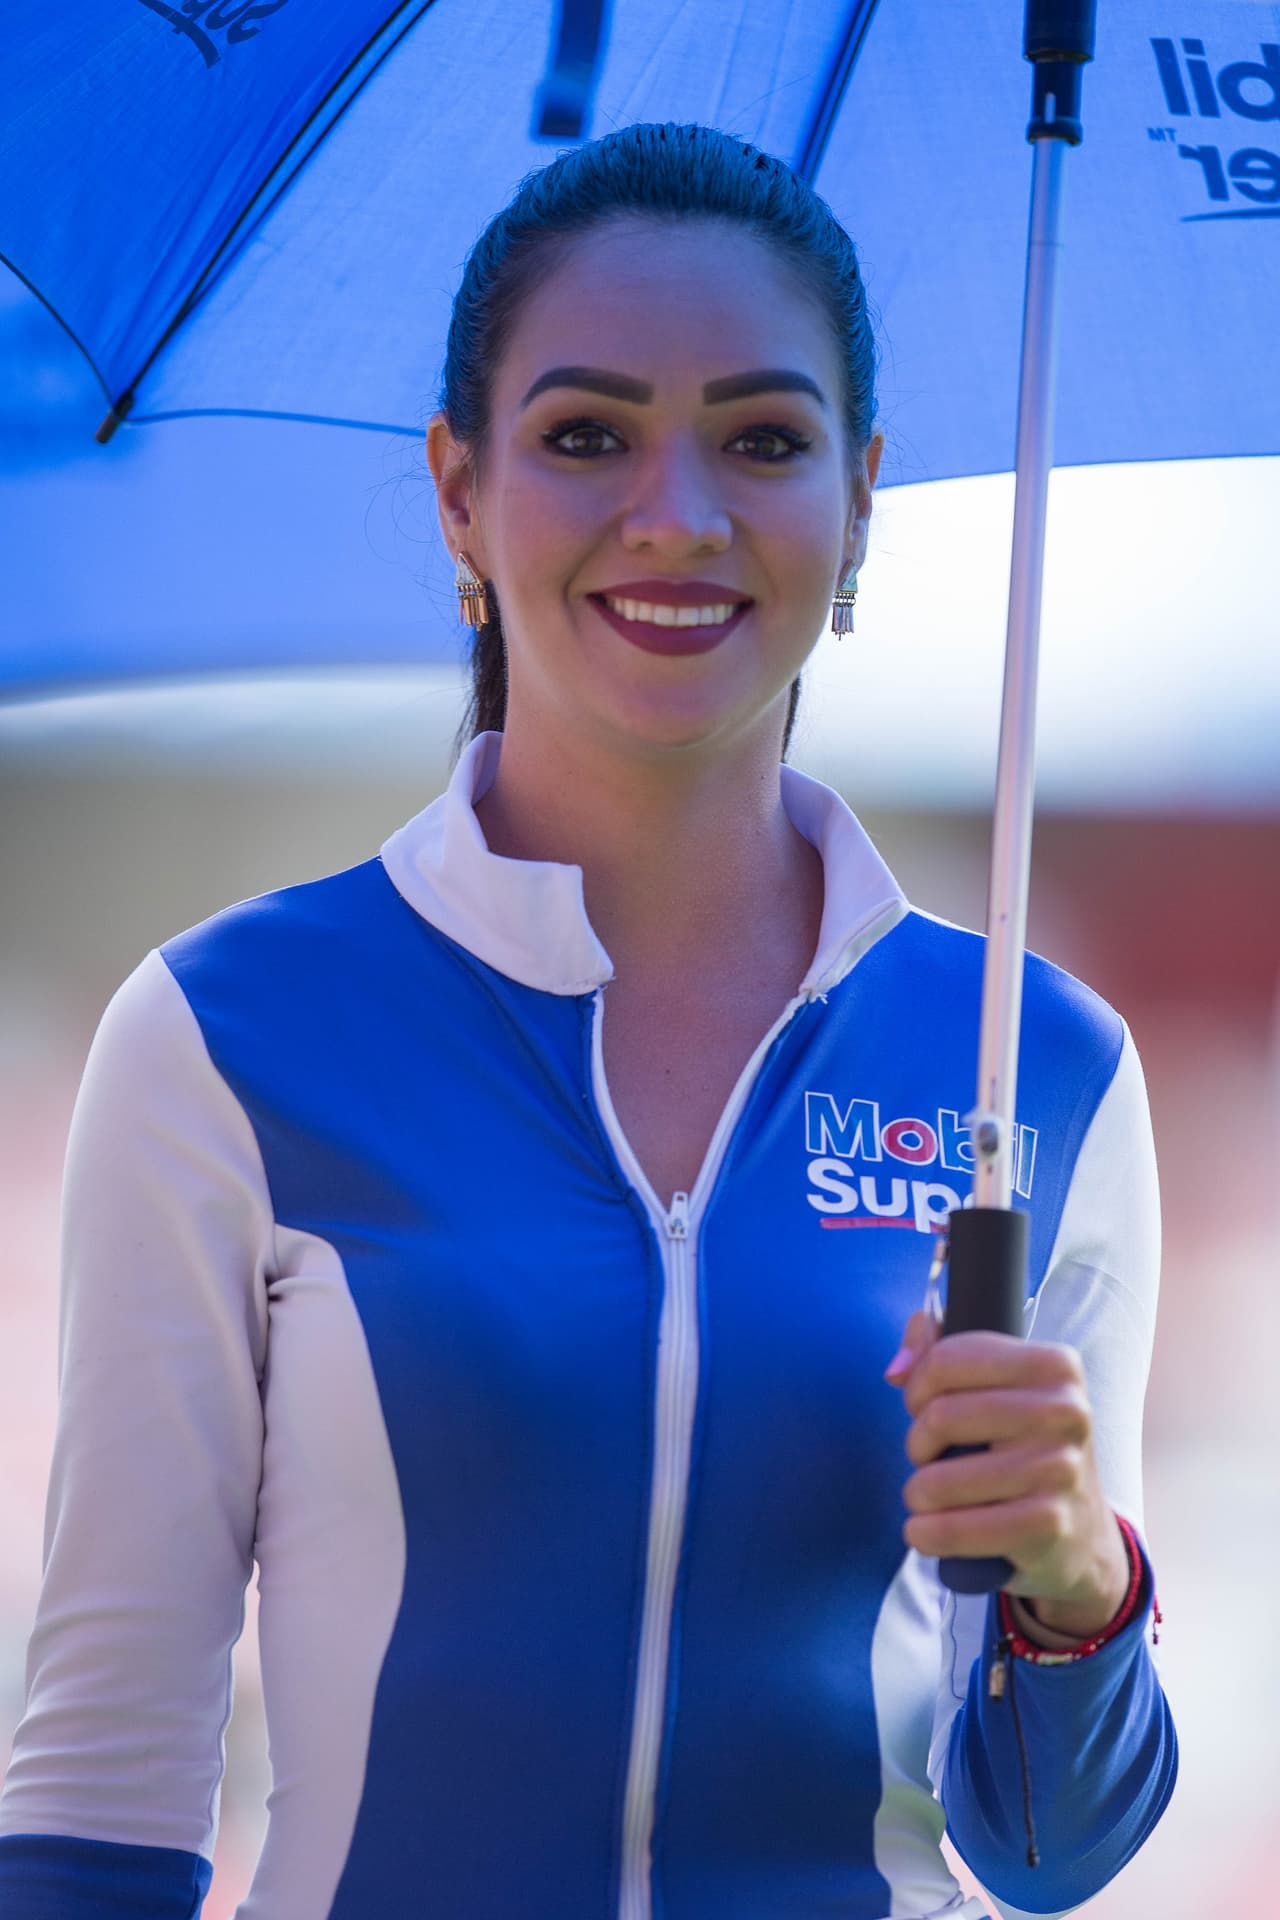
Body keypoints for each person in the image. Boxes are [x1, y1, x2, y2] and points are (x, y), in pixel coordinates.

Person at [0, 122, 1176, 1920]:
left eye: (764, 441)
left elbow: (1046, 1853)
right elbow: (102, 1773)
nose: (679, 514)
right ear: (459, 492)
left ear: (861, 498)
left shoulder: (1045, 1073)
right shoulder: (225, 1038)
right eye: (585, 436)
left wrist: (1075, 1579)